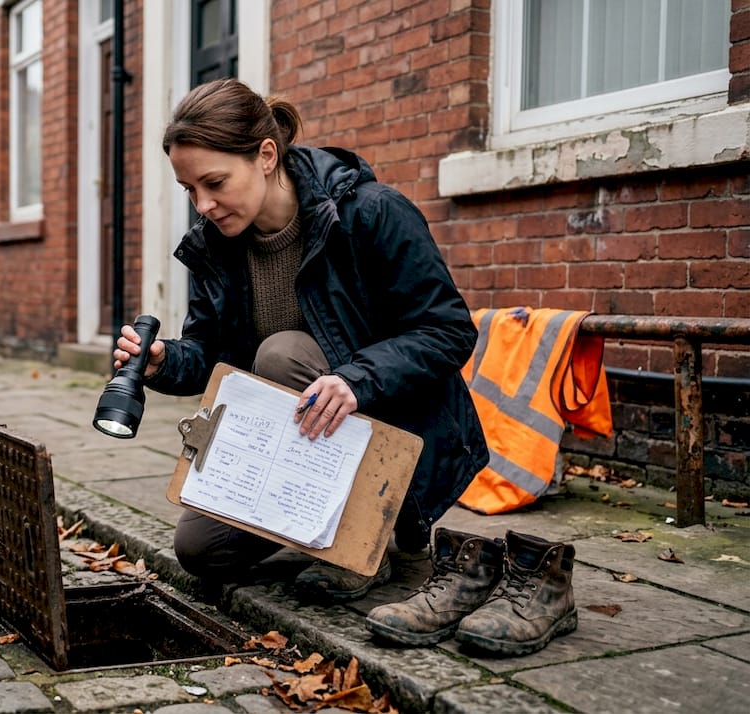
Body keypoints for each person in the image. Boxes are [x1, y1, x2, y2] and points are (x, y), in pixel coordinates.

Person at [113, 78, 488, 601]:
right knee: (202, 550)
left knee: (283, 352)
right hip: (290, 440)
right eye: (190, 190)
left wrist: (356, 380)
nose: (203, 204)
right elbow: (208, 354)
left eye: (215, 182)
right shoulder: (215, 248)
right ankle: (320, 521)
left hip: (395, 425)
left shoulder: (372, 213)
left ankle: (369, 537)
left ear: (266, 155)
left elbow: (448, 330)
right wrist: (163, 363)